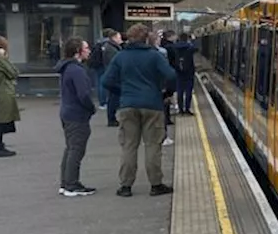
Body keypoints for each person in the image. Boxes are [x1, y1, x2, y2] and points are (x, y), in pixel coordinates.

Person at [101, 23, 175, 197]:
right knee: (152, 145)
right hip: (152, 105)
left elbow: (106, 81)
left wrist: (122, 93)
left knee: (129, 146)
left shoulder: (120, 57)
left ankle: (126, 186)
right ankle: (156, 185)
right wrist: (165, 93)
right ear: (147, 38)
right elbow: (171, 75)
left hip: (128, 105)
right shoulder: (154, 56)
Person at [55, 36, 97, 196]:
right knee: (77, 149)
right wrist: (91, 108)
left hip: (67, 112)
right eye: (86, 48)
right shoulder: (77, 70)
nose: (89, 51)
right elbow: (84, 94)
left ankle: (66, 182)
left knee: (70, 148)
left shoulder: (66, 68)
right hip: (77, 114)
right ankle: (72, 184)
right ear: (78, 52)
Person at [171, 32, 197, 115]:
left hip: (178, 72)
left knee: (180, 91)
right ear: (187, 38)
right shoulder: (190, 47)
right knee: (188, 91)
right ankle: (187, 109)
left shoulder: (174, 47)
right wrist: (193, 39)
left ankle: (180, 109)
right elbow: (197, 48)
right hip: (189, 73)